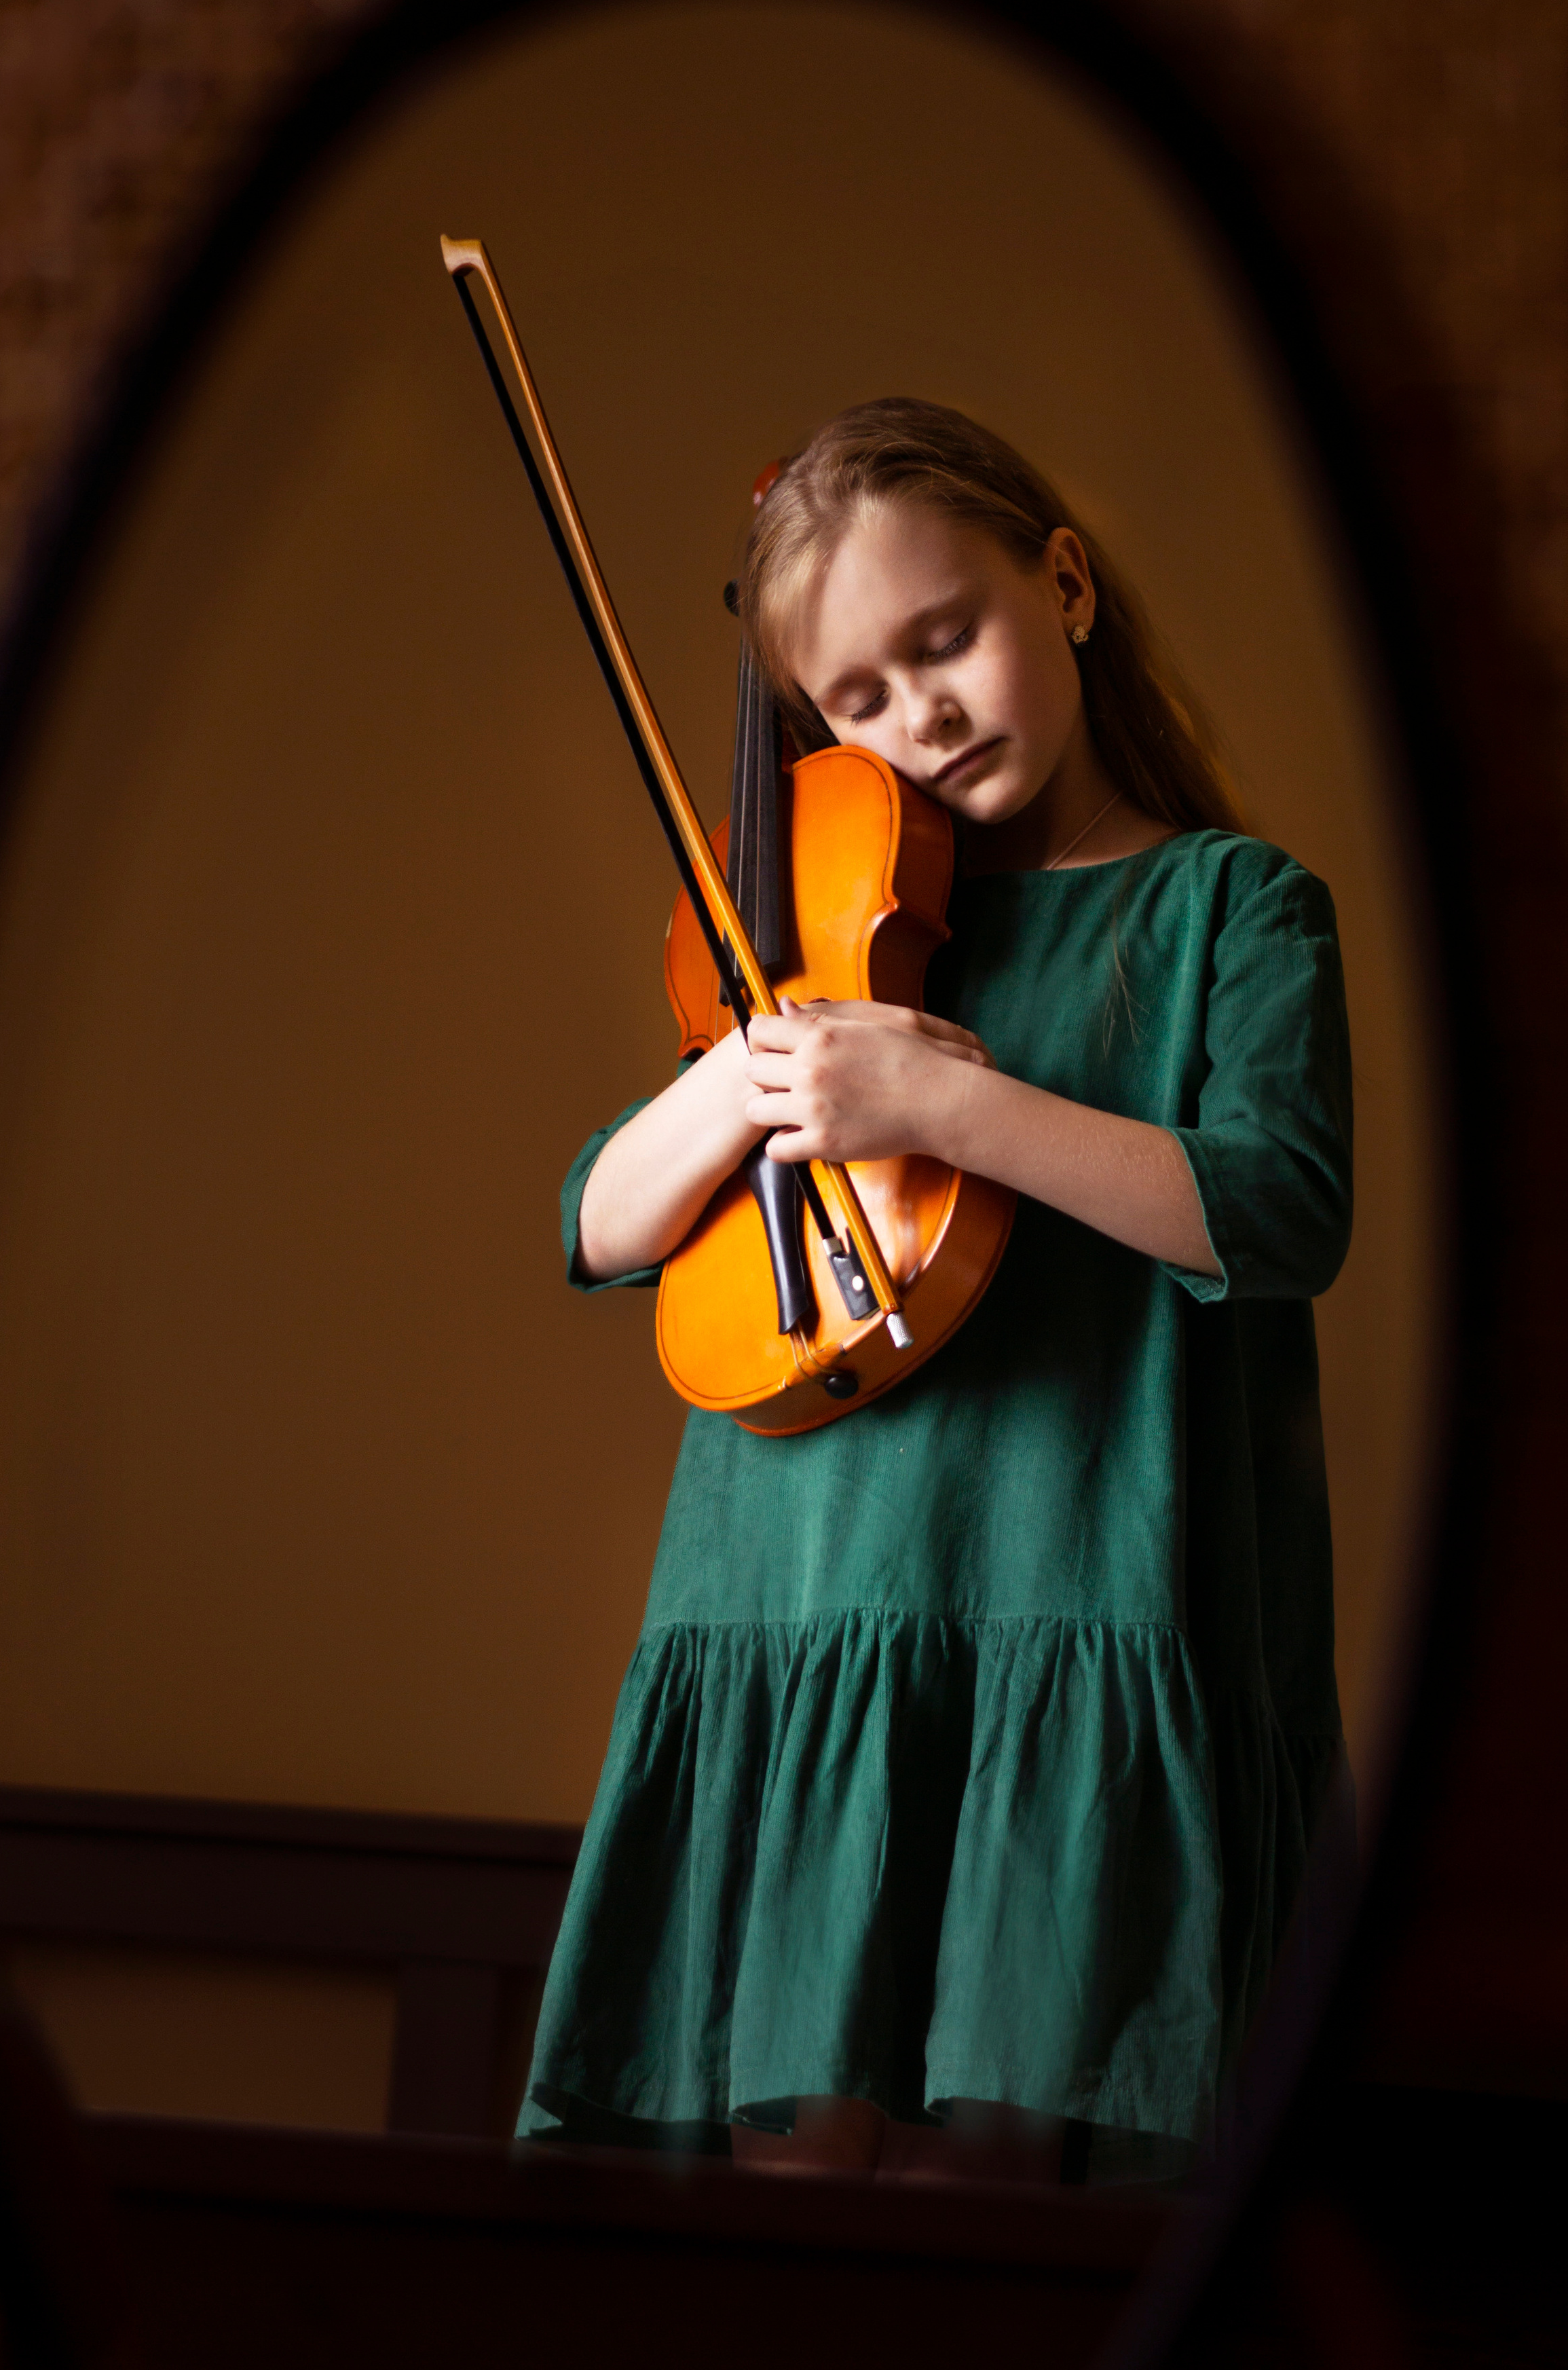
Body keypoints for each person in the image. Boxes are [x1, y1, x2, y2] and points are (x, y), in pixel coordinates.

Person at [517, 399, 1352, 2186]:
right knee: (791, 2221)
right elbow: (597, 1222)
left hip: (1070, 1600)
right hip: (807, 1618)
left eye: (945, 640)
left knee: (1004, 2218)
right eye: (858, 700)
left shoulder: (1238, 910)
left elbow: (1277, 1208)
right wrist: (731, 1083)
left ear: (1061, 584)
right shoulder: (816, 948)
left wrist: (953, 1103)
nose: (919, 720)